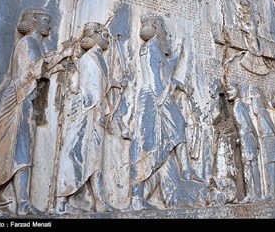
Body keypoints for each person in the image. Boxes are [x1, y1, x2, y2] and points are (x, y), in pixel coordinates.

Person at [0, 7, 72, 216]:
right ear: (33, 22)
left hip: (26, 100)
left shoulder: (37, 44)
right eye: (45, 20)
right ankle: (0, 194)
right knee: (5, 152)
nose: (49, 25)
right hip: (16, 99)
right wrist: (61, 55)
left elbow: (39, 71)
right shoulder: (28, 43)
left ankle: (23, 203)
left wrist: (58, 66)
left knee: (22, 153)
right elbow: (33, 71)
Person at [126, 15, 203, 211]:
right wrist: (162, 100)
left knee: (164, 137)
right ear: (155, 26)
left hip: (154, 96)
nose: (165, 32)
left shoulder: (152, 48)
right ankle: (138, 196)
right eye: (162, 27)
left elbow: (165, 72)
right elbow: (155, 78)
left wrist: (177, 55)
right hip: (154, 97)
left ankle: (184, 172)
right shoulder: (152, 47)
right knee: (149, 142)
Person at [55, 22, 119, 214]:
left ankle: (100, 200)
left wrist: (114, 83)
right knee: (76, 153)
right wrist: (100, 112)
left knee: (94, 156)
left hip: (93, 109)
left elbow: (99, 83)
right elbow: (92, 89)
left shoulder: (97, 57)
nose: (108, 38)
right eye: (105, 34)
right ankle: (61, 200)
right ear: (96, 36)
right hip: (88, 111)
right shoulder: (90, 58)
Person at [227, 83, 262, 203]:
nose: (228, 92)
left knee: (249, 165)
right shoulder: (239, 105)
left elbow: (248, 124)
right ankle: (256, 194)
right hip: (246, 137)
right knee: (252, 165)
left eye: (231, 89)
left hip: (246, 138)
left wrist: (254, 138)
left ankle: (252, 195)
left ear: (238, 90)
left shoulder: (239, 105)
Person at [250, 86, 275, 200]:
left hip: (269, 139)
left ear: (259, 99)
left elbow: (271, 124)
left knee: (273, 165)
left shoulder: (262, 111)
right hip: (266, 138)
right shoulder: (260, 112)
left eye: (254, 98)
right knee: (272, 165)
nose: (252, 100)